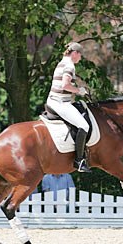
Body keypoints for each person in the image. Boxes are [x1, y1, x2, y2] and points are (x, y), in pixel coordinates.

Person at [46, 41, 91, 173]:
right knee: (85, 126)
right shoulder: (69, 65)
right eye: (80, 55)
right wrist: (79, 91)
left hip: (54, 100)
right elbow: (65, 85)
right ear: (75, 53)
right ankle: (79, 160)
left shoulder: (61, 63)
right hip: (60, 103)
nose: (81, 58)